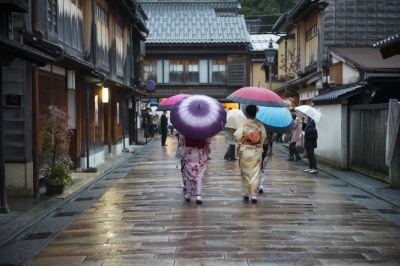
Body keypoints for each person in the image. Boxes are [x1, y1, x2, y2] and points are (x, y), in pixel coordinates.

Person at [234, 105, 267, 203]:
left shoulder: (243, 124)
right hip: (256, 151)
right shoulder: (260, 125)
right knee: (256, 172)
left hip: (245, 151)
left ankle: (246, 193)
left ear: (247, 113)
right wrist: (257, 142)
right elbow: (263, 137)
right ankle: (254, 195)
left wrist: (243, 141)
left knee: (245, 172)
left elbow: (238, 137)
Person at [179, 134, 212, 204]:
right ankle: (198, 195)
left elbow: (181, 138)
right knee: (200, 173)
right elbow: (208, 138)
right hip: (201, 151)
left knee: (188, 172)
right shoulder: (204, 124)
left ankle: (189, 193)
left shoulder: (186, 124)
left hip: (189, 150)